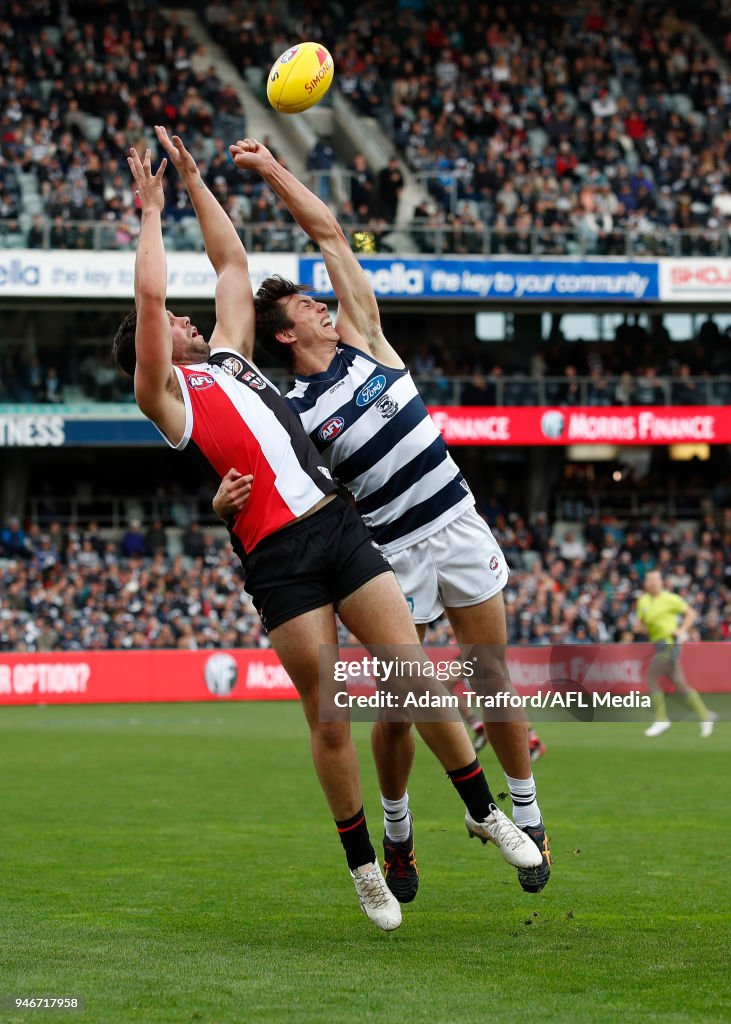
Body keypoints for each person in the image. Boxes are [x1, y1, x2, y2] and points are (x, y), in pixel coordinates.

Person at [113, 129, 541, 932]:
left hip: (337, 528)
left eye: (181, 315)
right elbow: (146, 303)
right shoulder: (163, 396)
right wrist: (150, 212)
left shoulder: (235, 357)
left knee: (413, 674)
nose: (180, 319)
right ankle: (364, 869)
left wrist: (199, 182)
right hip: (277, 558)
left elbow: (232, 265)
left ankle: (486, 812)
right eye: (173, 321)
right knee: (332, 718)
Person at [635, 570, 717, 738]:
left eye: (656, 580)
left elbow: (691, 613)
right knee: (681, 685)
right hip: (658, 644)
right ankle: (705, 716)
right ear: (646, 584)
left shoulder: (670, 599)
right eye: (650, 580)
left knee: (651, 679)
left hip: (669, 643)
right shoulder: (642, 601)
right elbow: (640, 623)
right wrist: (642, 628)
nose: (653, 583)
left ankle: (662, 720)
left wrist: (681, 630)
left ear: (661, 582)